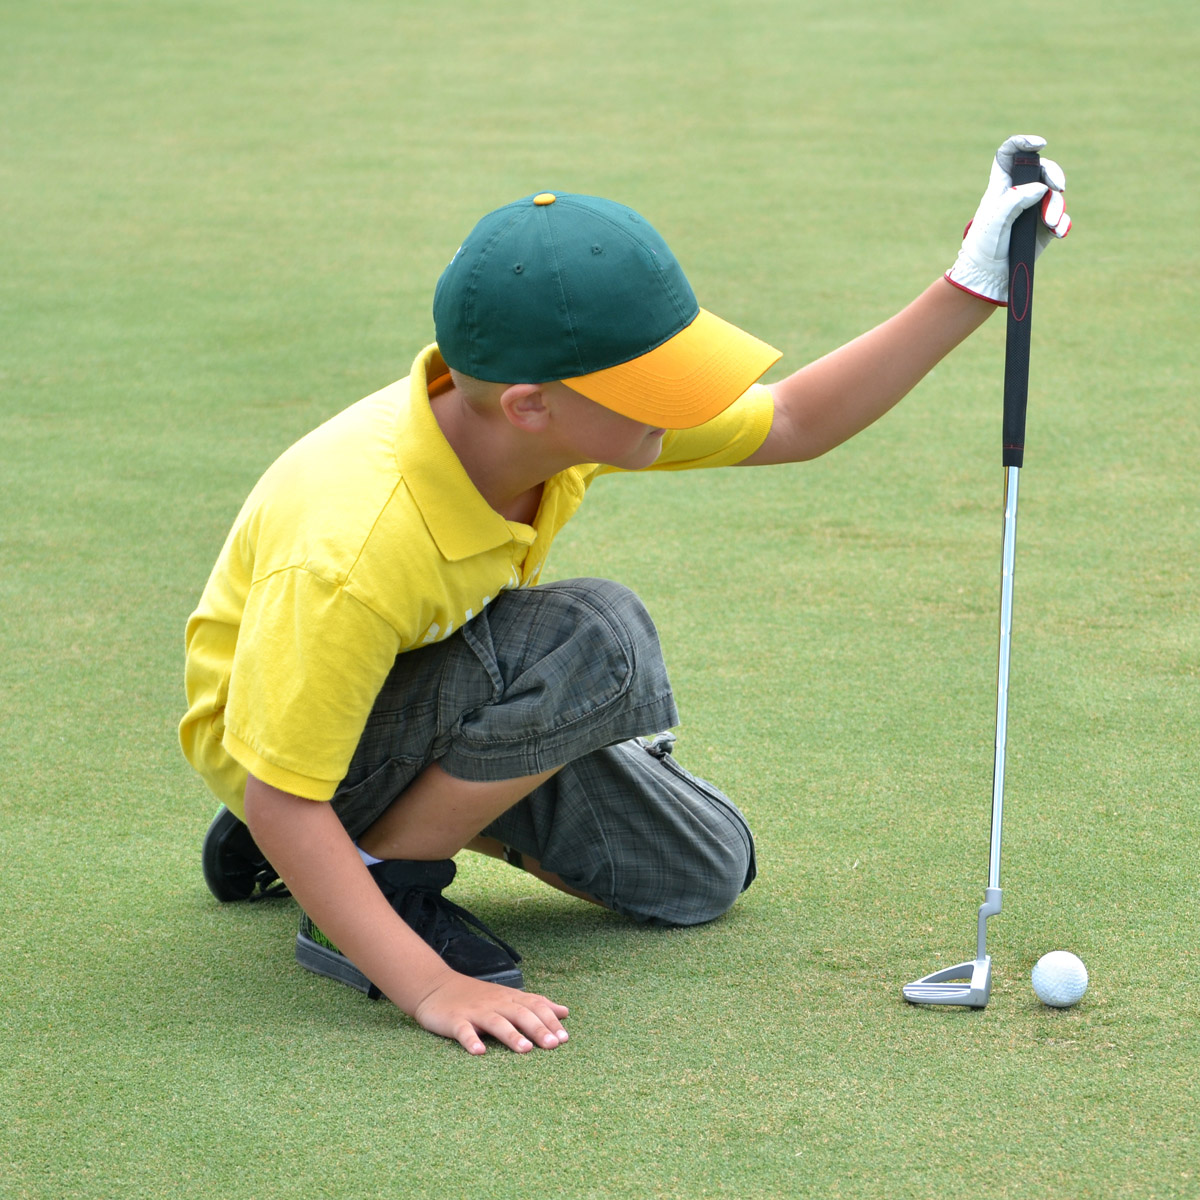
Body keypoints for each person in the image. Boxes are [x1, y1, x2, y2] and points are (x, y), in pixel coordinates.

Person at [179, 135, 1070, 1056]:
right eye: (652, 382)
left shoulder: (554, 426)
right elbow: (280, 791)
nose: (679, 401)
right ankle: (372, 881)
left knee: (702, 871)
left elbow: (798, 419)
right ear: (530, 404)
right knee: (596, 636)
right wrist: (428, 984)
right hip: (283, 767)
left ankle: (352, 839)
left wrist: (975, 279)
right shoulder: (349, 547)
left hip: (410, 706)